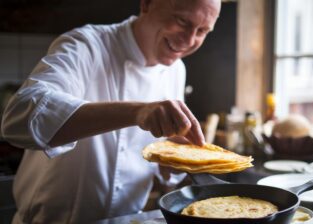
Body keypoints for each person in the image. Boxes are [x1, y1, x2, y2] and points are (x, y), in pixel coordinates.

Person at [1, 0, 221, 223]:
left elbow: (159, 171)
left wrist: (174, 159)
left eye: (202, 31)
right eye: (182, 20)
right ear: (146, 4)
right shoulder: (87, 45)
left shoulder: (175, 69)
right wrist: (137, 112)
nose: (189, 40)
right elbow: (20, 117)